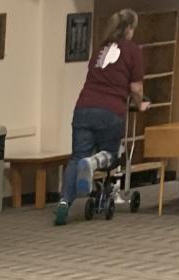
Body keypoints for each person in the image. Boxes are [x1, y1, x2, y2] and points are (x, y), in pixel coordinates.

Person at [54, 8, 148, 226]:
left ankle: (63, 203)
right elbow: (135, 88)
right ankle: (93, 162)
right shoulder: (133, 50)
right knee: (111, 155)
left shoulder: (100, 48)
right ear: (129, 28)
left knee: (77, 157)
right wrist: (140, 104)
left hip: (84, 108)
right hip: (110, 110)